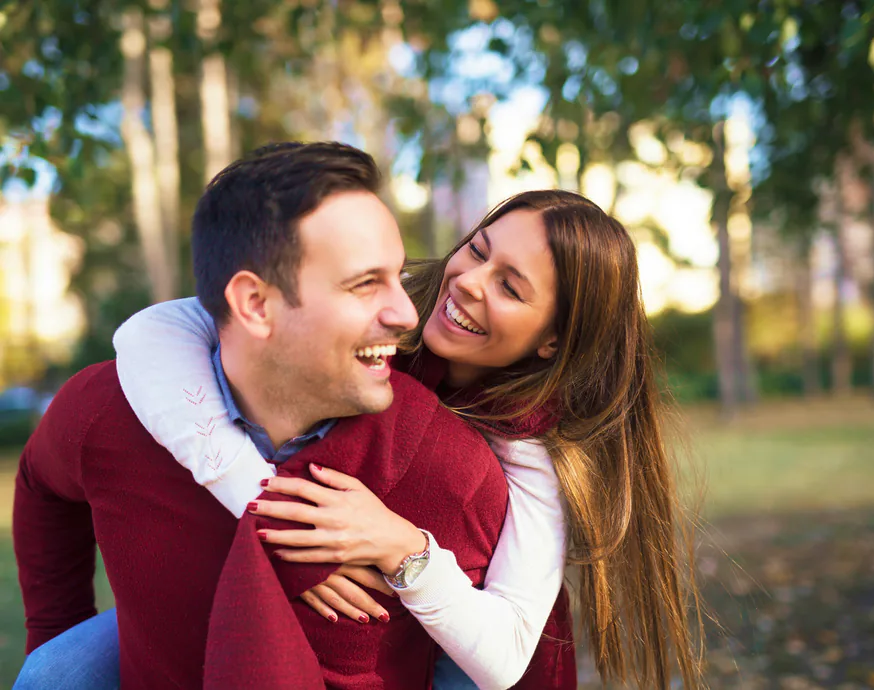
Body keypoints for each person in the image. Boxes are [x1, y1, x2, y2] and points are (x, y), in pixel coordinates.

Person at [112, 189, 703, 687]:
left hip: (446, 654)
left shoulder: (531, 452)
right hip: (281, 585)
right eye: (477, 249)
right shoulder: (388, 304)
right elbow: (156, 329)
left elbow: (505, 653)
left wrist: (400, 548)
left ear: (553, 340)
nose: (469, 282)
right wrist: (257, 497)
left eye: (511, 288)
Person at [12, 142, 526, 689]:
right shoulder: (106, 412)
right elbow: (41, 485)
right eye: (364, 284)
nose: (404, 313)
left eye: (398, 276)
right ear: (255, 305)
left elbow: (474, 668)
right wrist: (56, 653)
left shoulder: (450, 470)